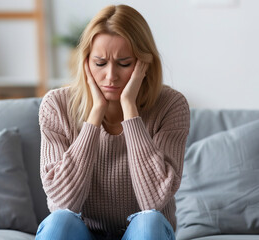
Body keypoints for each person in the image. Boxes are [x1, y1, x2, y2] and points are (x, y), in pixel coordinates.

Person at [35, 4, 190, 240]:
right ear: (86, 62)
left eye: (124, 63)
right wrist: (95, 115)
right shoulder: (56, 106)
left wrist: (130, 109)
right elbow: (61, 201)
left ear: (144, 64)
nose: (110, 76)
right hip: (81, 231)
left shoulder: (171, 105)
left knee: (150, 223)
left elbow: (155, 201)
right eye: (100, 63)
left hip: (144, 232)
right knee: (59, 223)